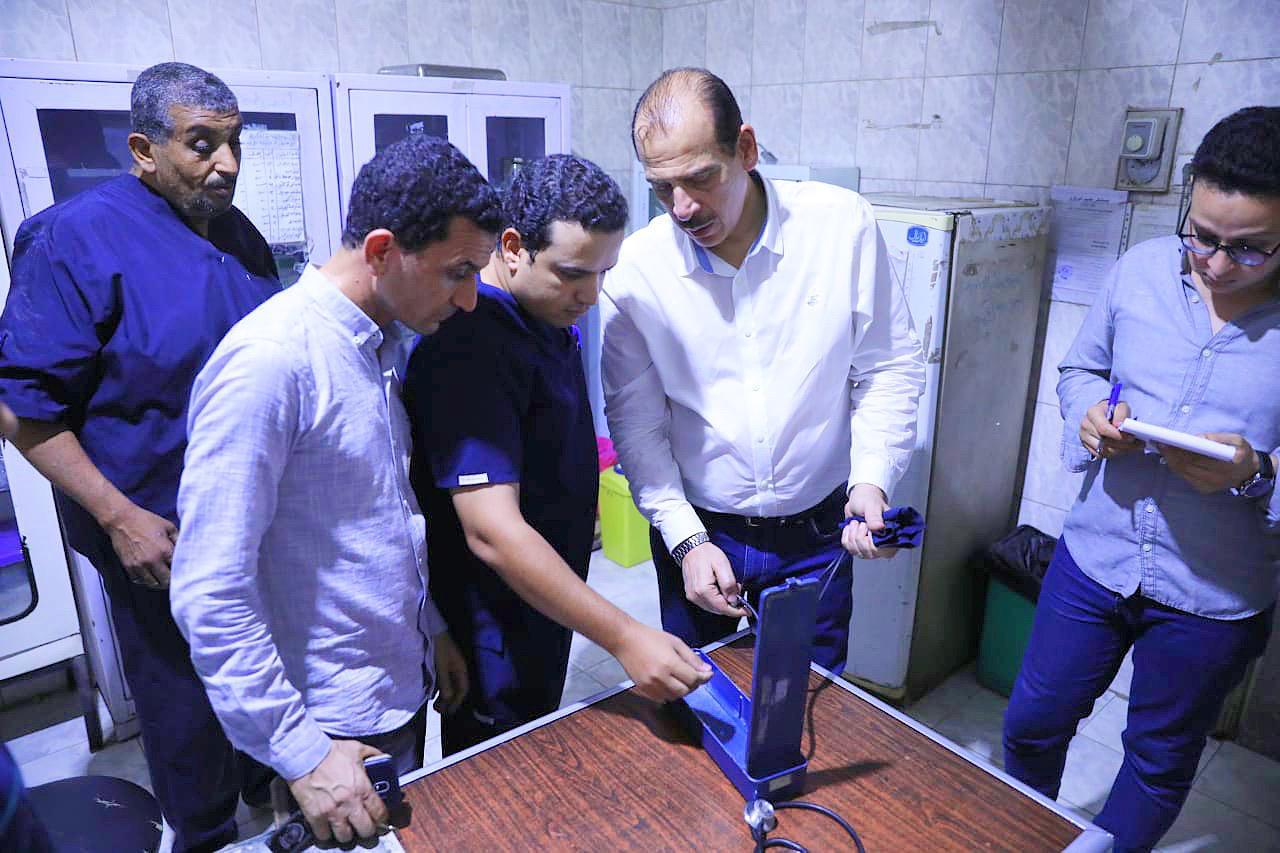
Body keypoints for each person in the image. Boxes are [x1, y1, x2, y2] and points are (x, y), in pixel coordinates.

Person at [169, 134, 499, 847]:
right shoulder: (271, 362)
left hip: (392, 683)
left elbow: (376, 516)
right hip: (327, 725)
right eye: (457, 273)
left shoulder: (379, 343)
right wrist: (303, 755)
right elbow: (209, 590)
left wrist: (430, 627)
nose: (469, 299)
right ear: (382, 251)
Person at [0, 62, 278, 852]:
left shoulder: (238, 233)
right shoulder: (75, 239)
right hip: (156, 529)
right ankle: (206, 833)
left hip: (249, 521)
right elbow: (21, 407)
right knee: (183, 702)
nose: (226, 163)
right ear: (143, 150)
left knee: (254, 674)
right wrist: (119, 517)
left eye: (234, 143)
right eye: (202, 144)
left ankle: (266, 798)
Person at [1003, 106, 1280, 852]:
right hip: (1095, 557)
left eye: (1249, 249)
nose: (1215, 263)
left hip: (1212, 596)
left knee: (1156, 762)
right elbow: (1079, 369)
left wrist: (1256, 473)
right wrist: (1090, 414)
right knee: (1030, 725)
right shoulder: (1141, 270)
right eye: (1203, 235)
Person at [601, 68, 925, 671]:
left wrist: (871, 480)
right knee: (703, 699)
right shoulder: (636, 272)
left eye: (701, 178)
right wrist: (685, 539)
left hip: (818, 537)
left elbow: (887, 367)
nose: (683, 207)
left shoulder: (839, 227)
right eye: (662, 188)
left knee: (805, 702)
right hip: (702, 534)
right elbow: (637, 426)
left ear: (745, 149)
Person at [404, 154, 711, 756]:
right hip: (495, 624)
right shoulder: (470, 345)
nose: (591, 295)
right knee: (502, 768)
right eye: (573, 274)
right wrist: (624, 636)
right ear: (513, 247)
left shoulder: (542, 314)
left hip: (545, 605)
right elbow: (492, 532)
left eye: (602, 273)